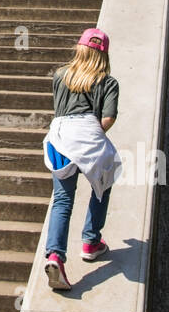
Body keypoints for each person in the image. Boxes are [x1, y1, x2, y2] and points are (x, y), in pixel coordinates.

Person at [42, 29, 120, 290]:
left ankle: (55, 255)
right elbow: (108, 118)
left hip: (60, 135)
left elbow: (59, 109)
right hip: (88, 133)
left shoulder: (59, 75)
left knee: (62, 199)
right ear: (103, 55)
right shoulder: (108, 82)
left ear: (80, 48)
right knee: (102, 186)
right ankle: (90, 241)